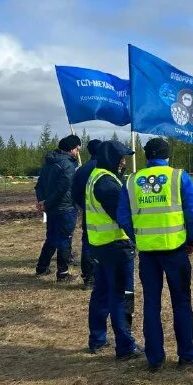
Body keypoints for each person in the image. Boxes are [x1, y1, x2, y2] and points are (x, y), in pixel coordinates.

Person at [117, 137, 193, 372]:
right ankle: (187, 354)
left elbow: (124, 217)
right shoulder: (179, 177)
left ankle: (154, 359)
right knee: (181, 303)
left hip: (148, 254)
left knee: (151, 305)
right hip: (176, 251)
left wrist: (139, 238)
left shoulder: (132, 182)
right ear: (167, 156)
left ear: (147, 157)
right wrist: (192, 240)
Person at [85, 140, 141, 360]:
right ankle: (125, 346)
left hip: (99, 245)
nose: (123, 162)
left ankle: (97, 339)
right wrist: (140, 240)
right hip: (116, 246)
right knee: (121, 296)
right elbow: (122, 216)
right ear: (112, 159)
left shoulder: (96, 176)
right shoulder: (107, 183)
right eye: (121, 158)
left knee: (101, 292)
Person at [34, 134, 81, 281]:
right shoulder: (67, 164)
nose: (78, 152)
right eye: (77, 149)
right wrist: (46, 202)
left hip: (52, 208)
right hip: (65, 207)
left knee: (52, 238)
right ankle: (63, 273)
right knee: (65, 239)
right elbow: (63, 188)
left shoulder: (49, 162)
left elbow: (40, 184)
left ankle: (42, 268)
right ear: (72, 149)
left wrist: (42, 201)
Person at [71, 138, 103, 287]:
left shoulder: (82, 169)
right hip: (104, 213)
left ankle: (89, 276)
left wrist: (84, 205)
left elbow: (75, 192)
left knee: (88, 242)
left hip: (88, 212)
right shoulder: (105, 167)